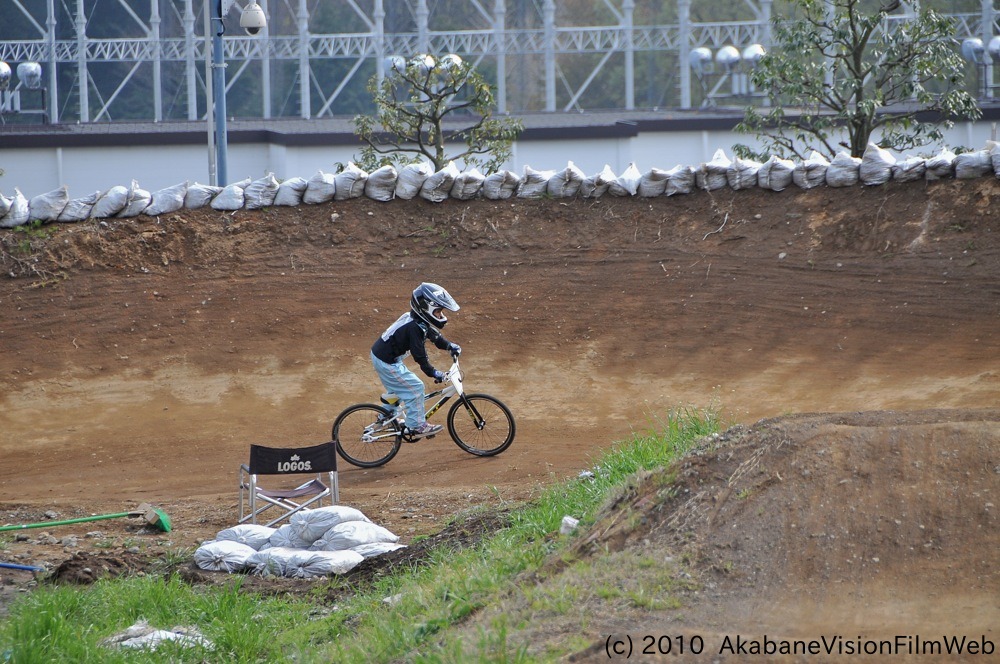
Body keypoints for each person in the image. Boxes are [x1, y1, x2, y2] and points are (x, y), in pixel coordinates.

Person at [370, 282, 462, 439]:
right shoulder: (414, 328)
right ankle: (417, 426)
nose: (441, 316)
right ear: (427, 308)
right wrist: (434, 373)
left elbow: (435, 337)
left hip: (386, 358)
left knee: (400, 387)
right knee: (416, 388)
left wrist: (449, 346)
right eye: (439, 311)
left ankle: (384, 417)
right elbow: (420, 357)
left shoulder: (418, 321)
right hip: (387, 362)